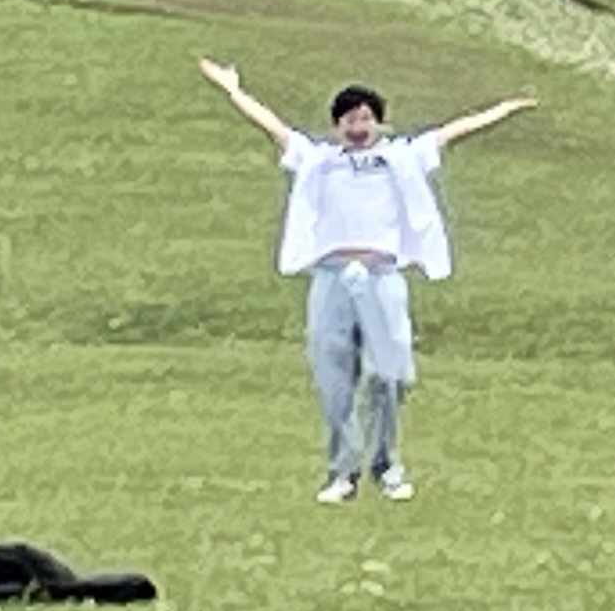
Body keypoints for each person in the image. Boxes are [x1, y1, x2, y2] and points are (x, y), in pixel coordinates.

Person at [196, 59, 532, 502]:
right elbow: (273, 127)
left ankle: (388, 467)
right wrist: (232, 89)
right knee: (335, 378)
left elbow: (454, 131)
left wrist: (503, 109)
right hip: (332, 278)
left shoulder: (400, 157)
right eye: (350, 119)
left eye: (366, 119)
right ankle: (342, 473)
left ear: (379, 122)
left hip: (381, 277)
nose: (358, 127)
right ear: (337, 125)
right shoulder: (319, 160)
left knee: (390, 375)